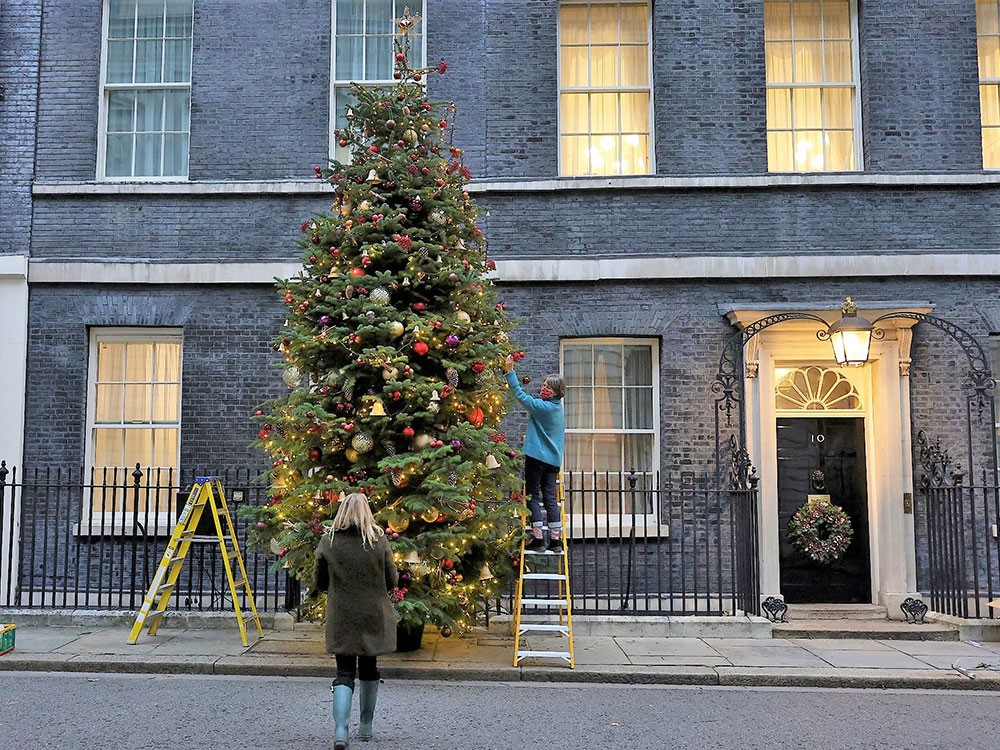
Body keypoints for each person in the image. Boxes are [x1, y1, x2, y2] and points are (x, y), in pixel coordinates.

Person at [314, 492, 398, 748]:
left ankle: (341, 730)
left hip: (342, 614)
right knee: (369, 668)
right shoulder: (378, 539)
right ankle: (366, 725)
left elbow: (320, 581)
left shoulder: (329, 540)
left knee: (344, 671)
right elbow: (392, 579)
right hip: (372, 613)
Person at [504, 354, 566, 552]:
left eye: (548, 387)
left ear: (556, 392)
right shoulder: (558, 409)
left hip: (537, 458)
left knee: (532, 494)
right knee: (550, 496)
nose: (544, 388)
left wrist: (510, 372)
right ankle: (555, 540)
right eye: (544, 384)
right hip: (553, 460)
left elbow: (521, 395)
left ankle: (538, 538)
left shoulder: (543, 408)